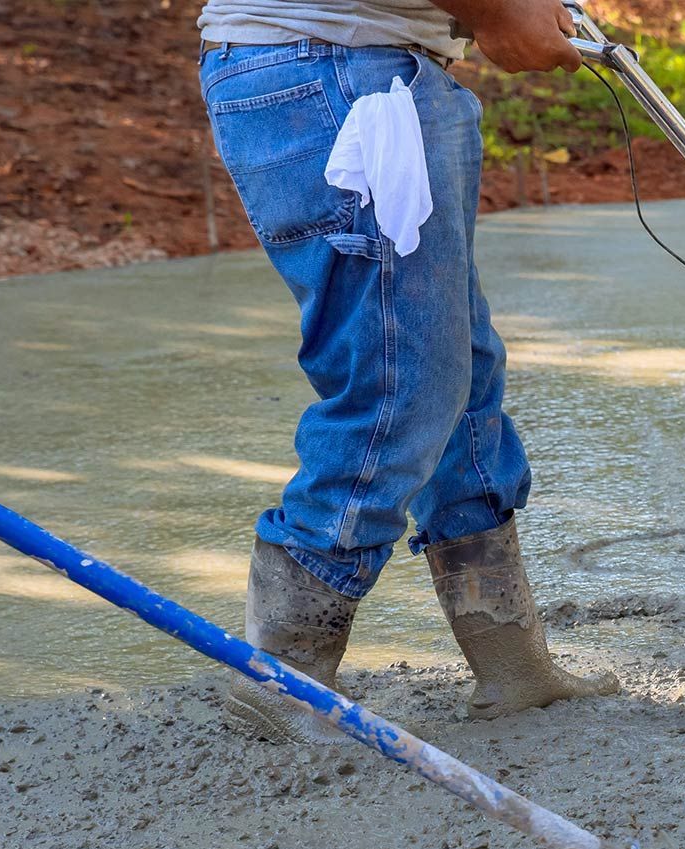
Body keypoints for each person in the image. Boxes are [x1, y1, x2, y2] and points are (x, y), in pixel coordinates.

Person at [196, 0, 613, 741]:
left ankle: (513, 663)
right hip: (327, 69)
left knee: (461, 367)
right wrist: (496, 10)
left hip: (376, 67)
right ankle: (283, 677)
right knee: (403, 378)